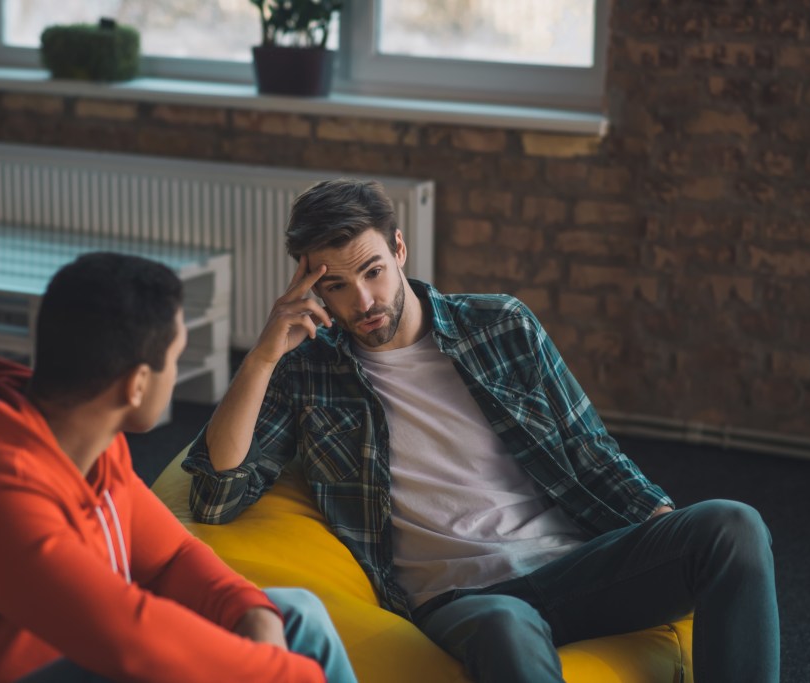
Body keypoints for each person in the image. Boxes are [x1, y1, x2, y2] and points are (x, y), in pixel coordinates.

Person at [183, 179, 780, 683]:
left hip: (570, 569)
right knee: (504, 624)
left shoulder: (500, 325)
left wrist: (666, 535)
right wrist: (263, 355)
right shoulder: (307, 374)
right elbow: (215, 497)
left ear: (399, 249)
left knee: (732, 525)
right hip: (464, 600)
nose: (364, 300)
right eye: (336, 285)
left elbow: (591, 453)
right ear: (312, 289)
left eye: (372, 271)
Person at [0, 252, 357, 683]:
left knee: (296, 617)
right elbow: (133, 641)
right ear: (136, 385)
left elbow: (168, 558)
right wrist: (289, 675)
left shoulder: (90, 446)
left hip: (65, 659)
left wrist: (253, 614)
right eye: (176, 358)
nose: (177, 372)